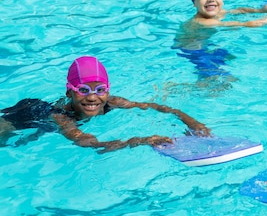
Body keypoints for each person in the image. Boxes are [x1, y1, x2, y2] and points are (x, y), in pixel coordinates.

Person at [0, 56, 211, 152]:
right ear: (69, 92)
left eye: (99, 90)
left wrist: (193, 123)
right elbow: (89, 143)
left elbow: (163, 108)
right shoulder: (61, 117)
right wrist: (141, 140)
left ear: (108, 90)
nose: (92, 98)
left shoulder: (114, 102)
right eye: (83, 90)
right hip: (23, 116)